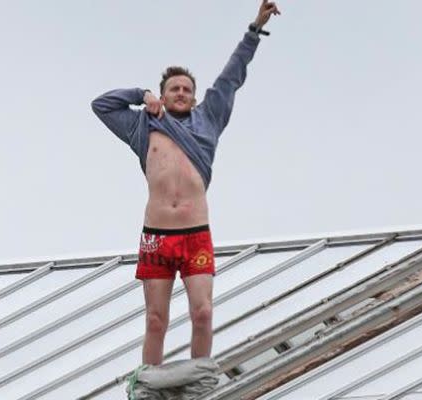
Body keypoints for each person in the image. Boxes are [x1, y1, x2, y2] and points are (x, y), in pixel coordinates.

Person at [91, 0, 280, 365]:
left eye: (186, 89)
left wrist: (254, 31)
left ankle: (198, 381)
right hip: (157, 235)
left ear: (194, 97)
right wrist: (138, 95)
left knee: (203, 313)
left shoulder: (208, 119)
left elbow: (232, 76)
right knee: (155, 319)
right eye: (173, 89)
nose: (180, 93)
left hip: (195, 233)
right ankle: (148, 383)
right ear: (162, 95)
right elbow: (101, 105)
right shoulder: (141, 126)